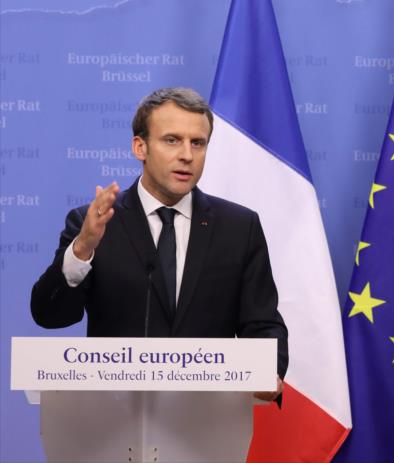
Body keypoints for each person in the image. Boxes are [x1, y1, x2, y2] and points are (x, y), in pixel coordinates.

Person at [31, 87, 287, 402]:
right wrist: (82, 249)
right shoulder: (93, 224)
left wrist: (268, 371)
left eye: (198, 143)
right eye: (171, 140)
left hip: (208, 426)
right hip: (110, 426)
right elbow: (49, 314)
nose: (187, 155)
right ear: (140, 147)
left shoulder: (238, 227)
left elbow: (263, 323)